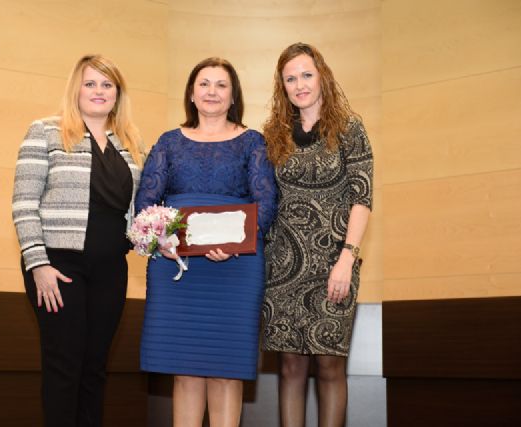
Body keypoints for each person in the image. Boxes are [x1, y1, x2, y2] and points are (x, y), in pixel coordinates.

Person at [135, 57, 277, 427]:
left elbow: (267, 203)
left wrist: (234, 244)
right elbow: (145, 203)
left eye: (221, 85)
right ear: (192, 95)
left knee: (226, 369)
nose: (212, 91)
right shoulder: (168, 142)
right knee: (184, 370)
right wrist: (161, 241)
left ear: (233, 97)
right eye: (204, 84)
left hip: (236, 268)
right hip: (175, 267)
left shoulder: (252, 142)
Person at [12, 54, 143, 427]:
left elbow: (138, 209)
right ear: (76, 88)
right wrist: (38, 264)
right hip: (59, 267)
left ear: (117, 94)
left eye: (107, 85)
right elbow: (24, 203)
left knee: (95, 367)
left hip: (110, 270)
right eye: (90, 84)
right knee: (64, 365)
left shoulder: (131, 143)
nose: (98, 92)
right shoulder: (45, 131)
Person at [262, 43, 374, 427]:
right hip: (281, 268)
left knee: (329, 366)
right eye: (290, 78)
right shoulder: (273, 134)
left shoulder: (349, 127)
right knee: (290, 367)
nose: (300, 84)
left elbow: (362, 197)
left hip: (334, 264)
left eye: (306, 75)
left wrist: (347, 258)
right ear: (283, 87)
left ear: (322, 75)